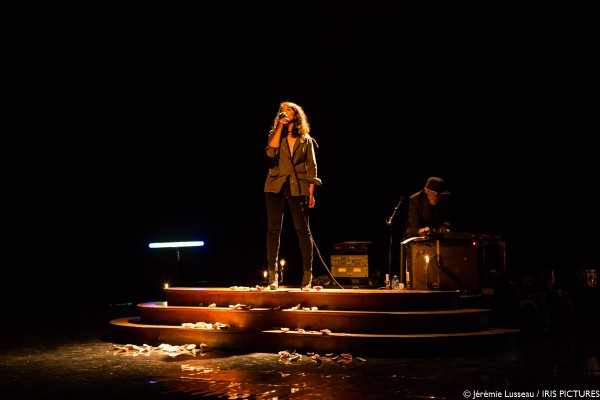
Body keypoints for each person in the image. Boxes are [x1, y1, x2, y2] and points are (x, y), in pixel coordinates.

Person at [264, 101, 322, 290]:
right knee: (273, 229)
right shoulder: (277, 135)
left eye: (288, 109)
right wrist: (280, 128)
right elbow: (270, 151)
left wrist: (311, 193)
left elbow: (312, 167)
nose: (284, 112)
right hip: (275, 184)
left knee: (302, 230)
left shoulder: (306, 139)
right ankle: (273, 277)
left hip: (298, 186)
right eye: (282, 110)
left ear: (296, 115)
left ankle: (307, 276)